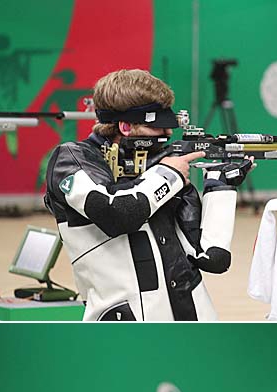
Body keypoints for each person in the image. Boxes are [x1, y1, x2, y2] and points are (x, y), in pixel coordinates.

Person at [45, 67, 252, 322]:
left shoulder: (157, 173)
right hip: (125, 327)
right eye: (158, 128)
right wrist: (168, 175)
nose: (167, 136)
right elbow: (118, 213)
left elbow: (212, 259)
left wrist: (220, 187)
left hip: (193, 317)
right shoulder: (72, 159)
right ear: (126, 126)